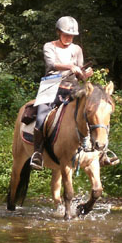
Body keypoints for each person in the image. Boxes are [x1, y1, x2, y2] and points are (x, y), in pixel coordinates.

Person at [30, 16, 93, 170]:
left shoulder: (77, 49)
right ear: (58, 32)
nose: (69, 38)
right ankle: (37, 153)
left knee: (91, 111)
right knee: (41, 116)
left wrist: (85, 74)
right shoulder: (49, 46)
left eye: (71, 35)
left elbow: (80, 73)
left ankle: (98, 150)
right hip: (50, 84)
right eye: (66, 34)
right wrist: (70, 66)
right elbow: (52, 64)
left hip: (72, 87)